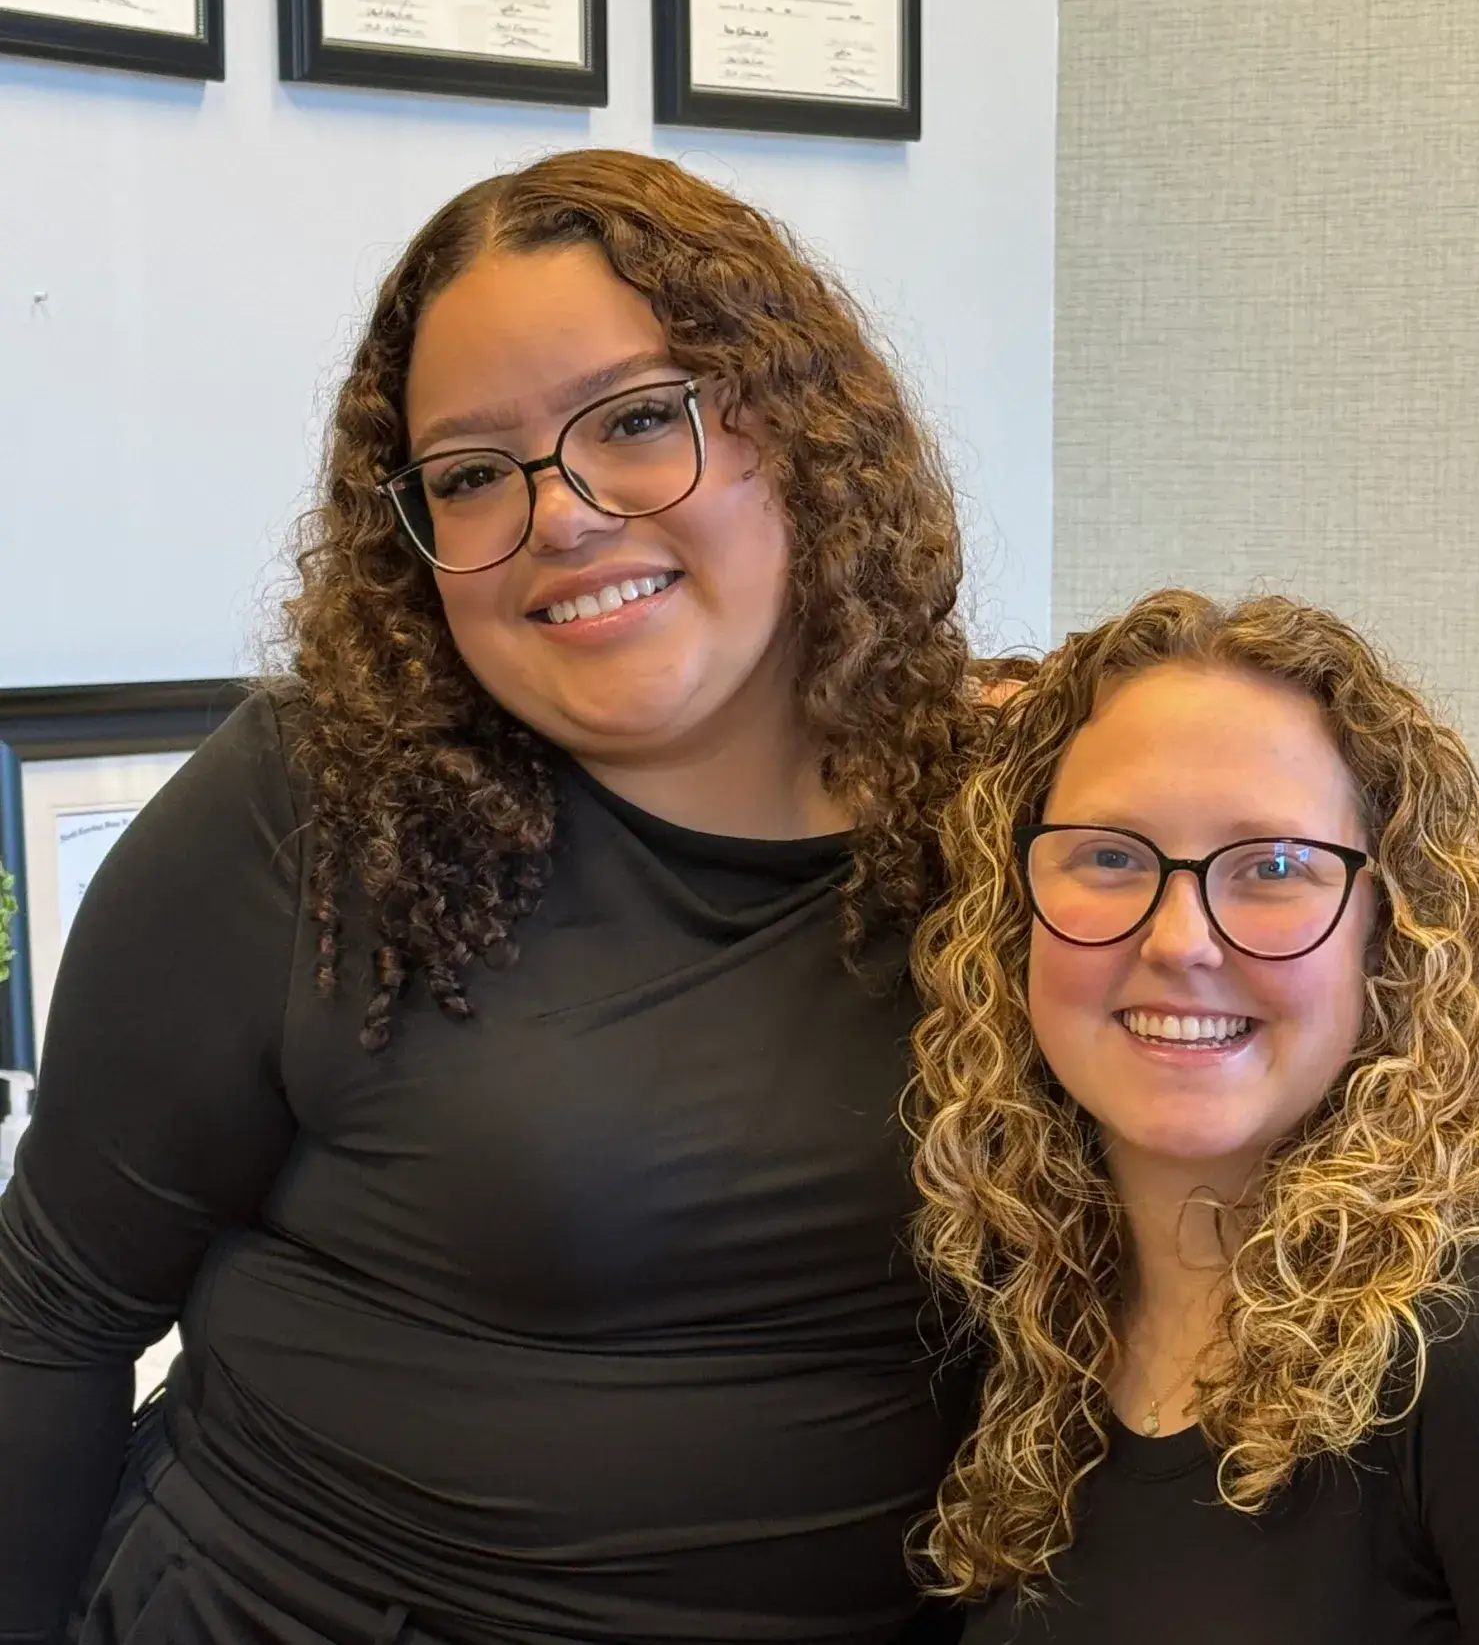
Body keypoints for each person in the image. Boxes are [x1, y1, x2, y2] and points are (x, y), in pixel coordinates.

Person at [0, 150, 987, 1645]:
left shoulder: (1024, 829)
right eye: (471, 475)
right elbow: (51, 1316)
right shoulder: (314, 806)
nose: (562, 514)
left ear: (797, 428)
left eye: (639, 418)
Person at [907, 590, 1479, 1642]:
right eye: (1108, 855)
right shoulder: (1019, 1321)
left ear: (1389, 937)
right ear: (1013, 916)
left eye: (1273, 867)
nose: (1180, 939)